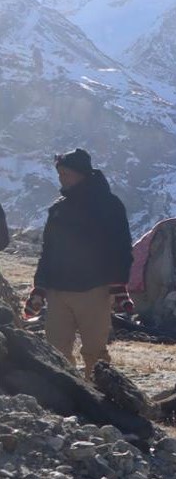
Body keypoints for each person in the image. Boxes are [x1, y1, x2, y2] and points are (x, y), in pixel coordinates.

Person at [26, 149, 133, 379]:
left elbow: (122, 247)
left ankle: (99, 397)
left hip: (94, 289)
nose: (61, 178)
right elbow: (49, 251)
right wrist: (40, 288)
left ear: (82, 174)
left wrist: (118, 285)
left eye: (66, 173)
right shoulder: (59, 208)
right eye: (60, 173)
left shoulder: (108, 206)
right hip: (58, 290)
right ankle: (65, 396)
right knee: (56, 350)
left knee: (94, 351)